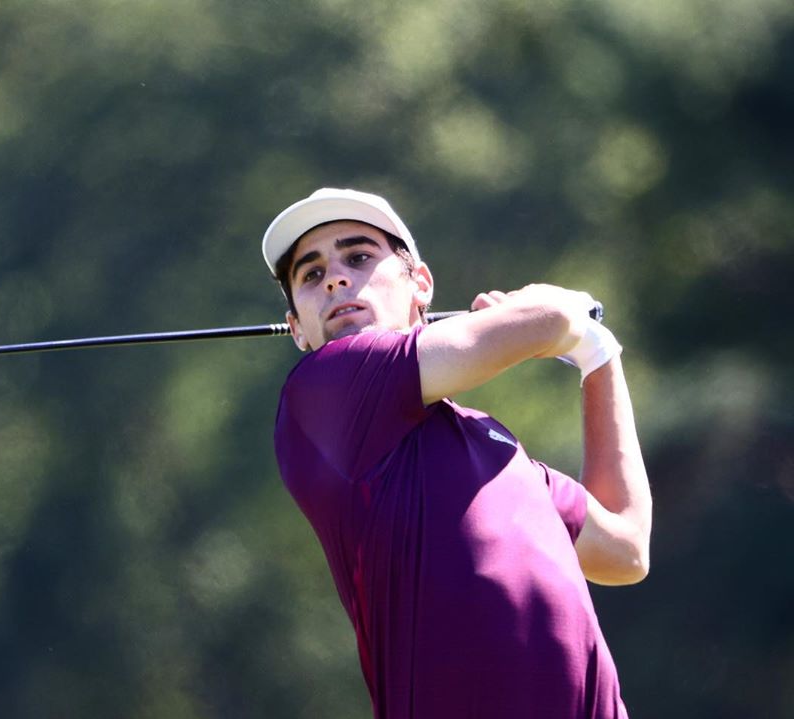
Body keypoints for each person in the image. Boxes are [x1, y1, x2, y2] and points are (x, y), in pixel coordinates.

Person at [262, 188, 652, 719]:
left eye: (358, 258)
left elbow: (626, 549)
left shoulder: (499, 447)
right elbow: (549, 321)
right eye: (310, 275)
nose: (334, 278)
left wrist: (599, 355)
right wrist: (555, 313)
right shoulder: (324, 388)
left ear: (420, 285)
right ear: (297, 330)